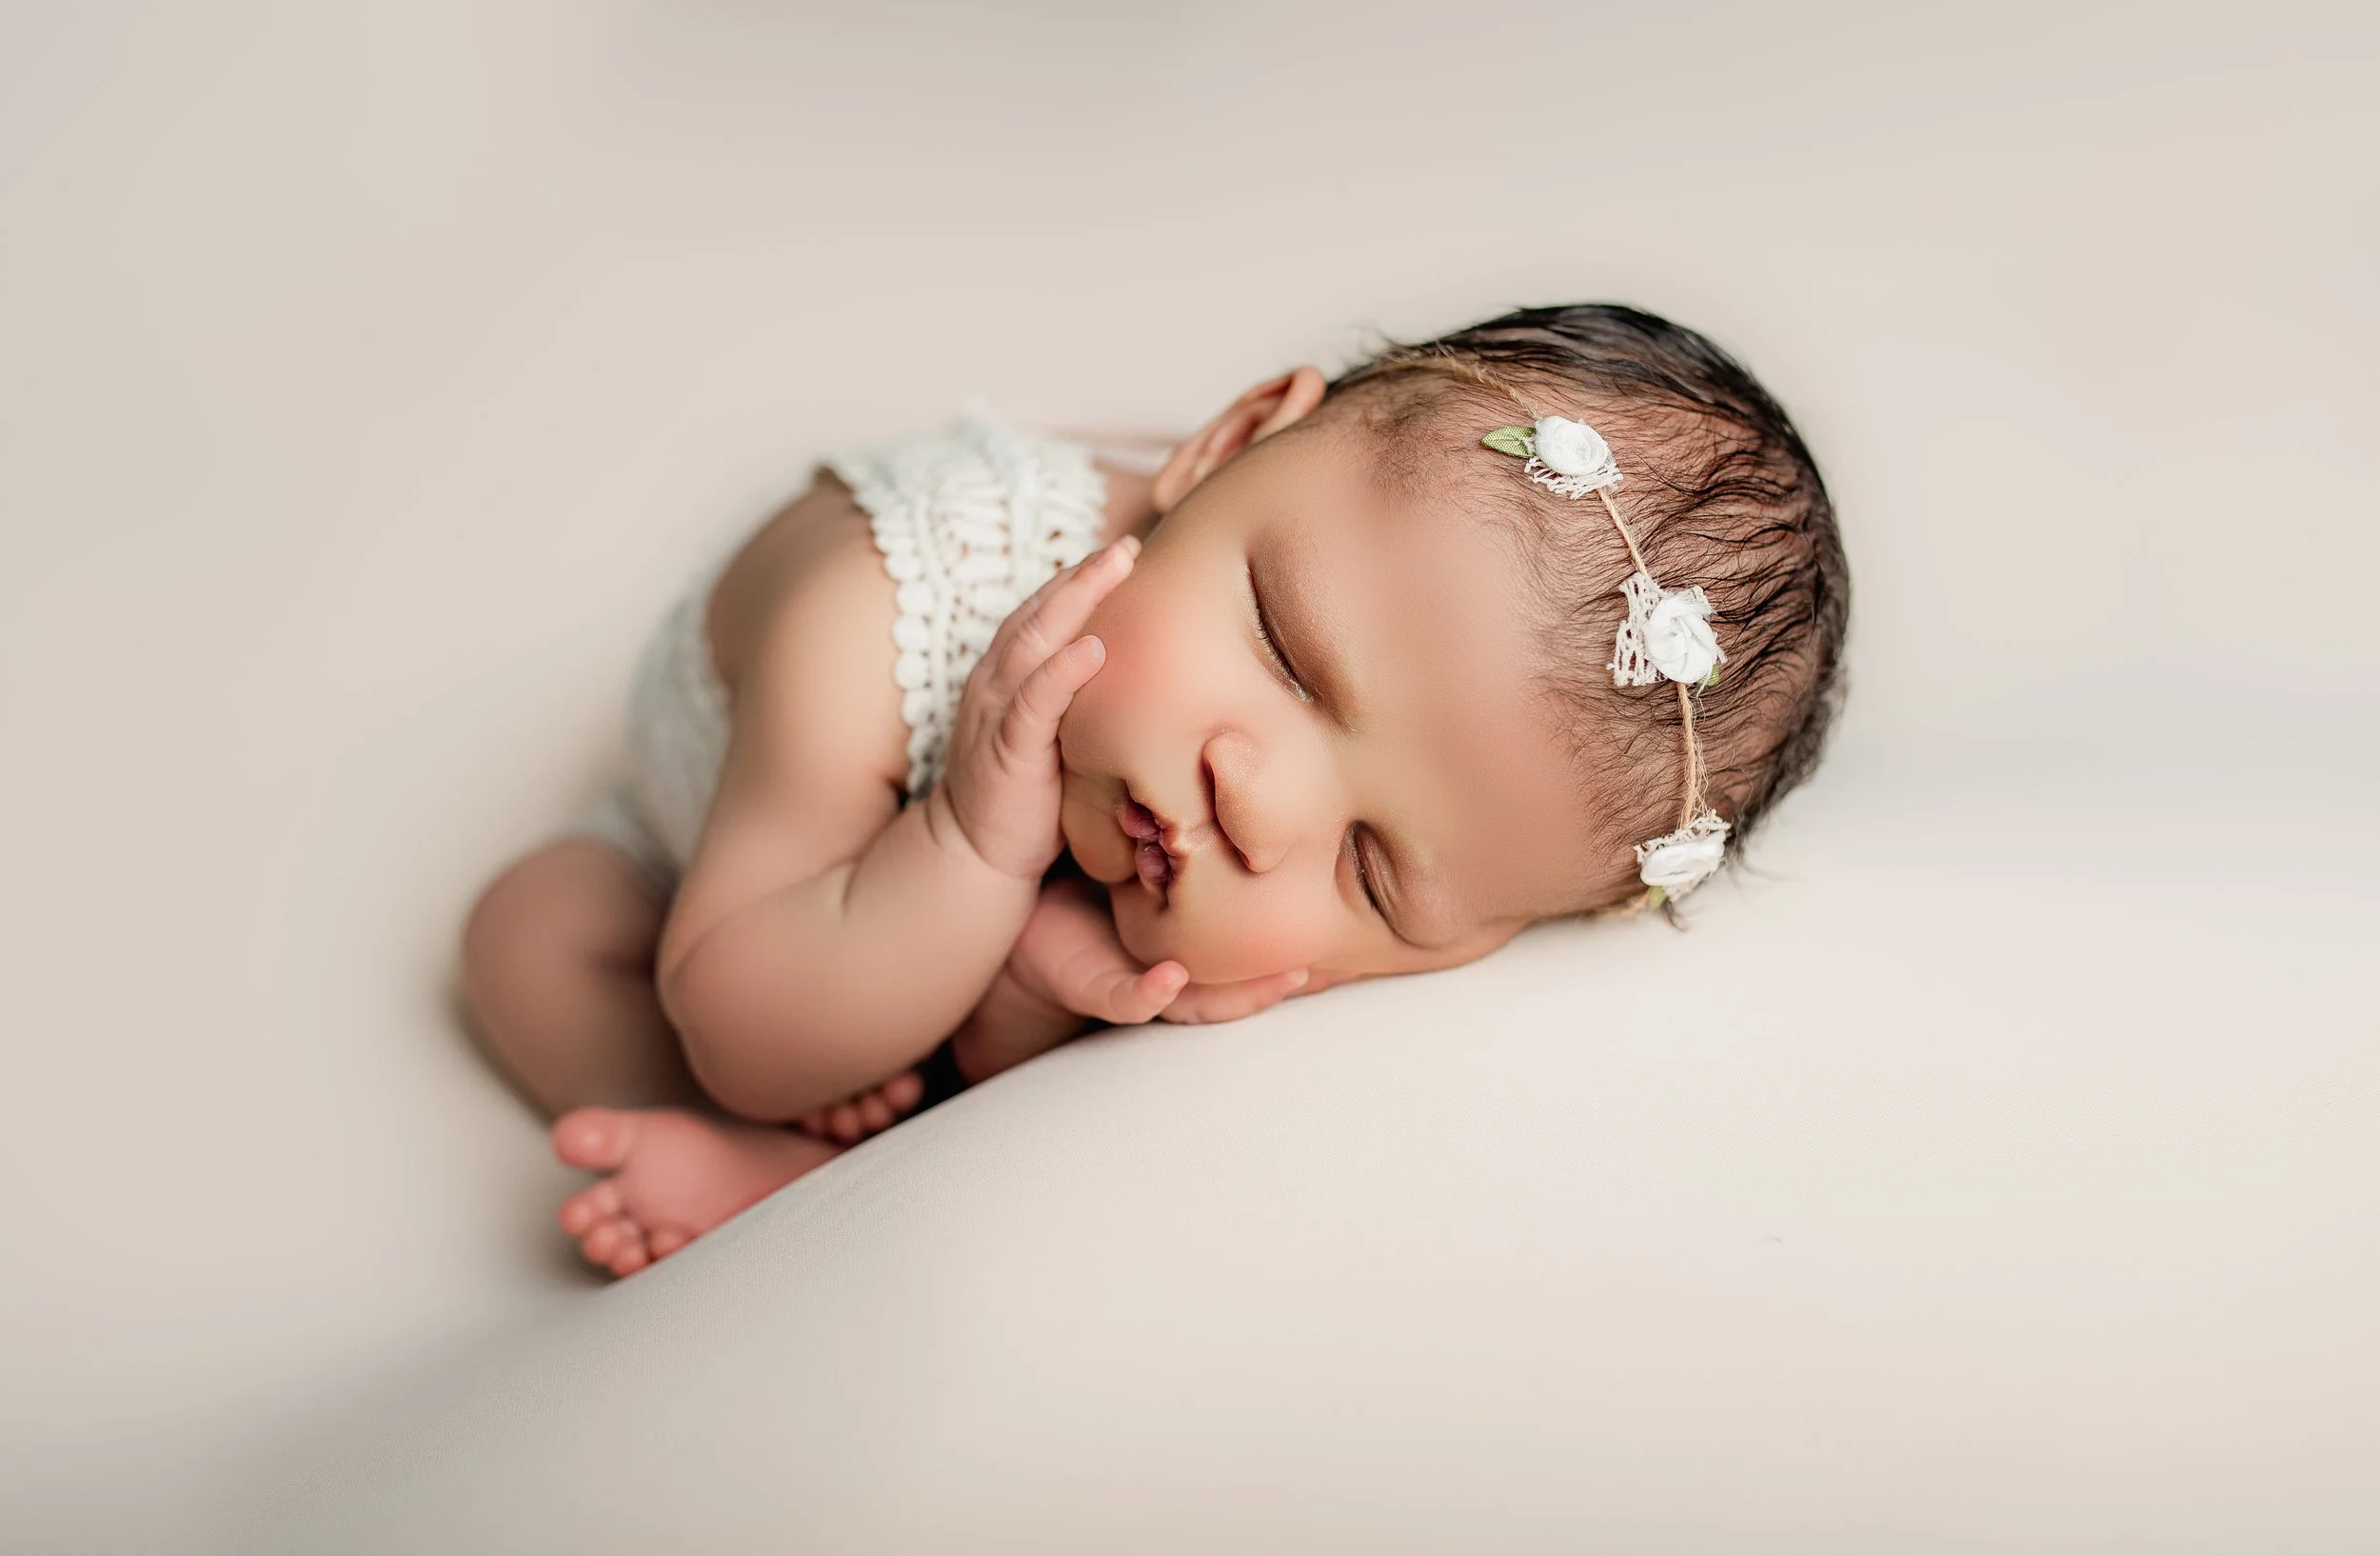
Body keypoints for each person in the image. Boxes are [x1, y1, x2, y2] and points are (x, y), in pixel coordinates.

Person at [459, 304, 1851, 1276]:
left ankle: (857, 1130)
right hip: (725, 875)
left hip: (902, 928)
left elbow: (1032, 1033)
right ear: (1221, 451)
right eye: (1291, 656)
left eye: (1373, 870)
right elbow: (743, 1026)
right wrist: (961, 840)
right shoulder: (872, 612)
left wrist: (1032, 981)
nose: (1264, 810)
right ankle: (780, 1173)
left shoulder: (1176, 741)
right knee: (527, 932)